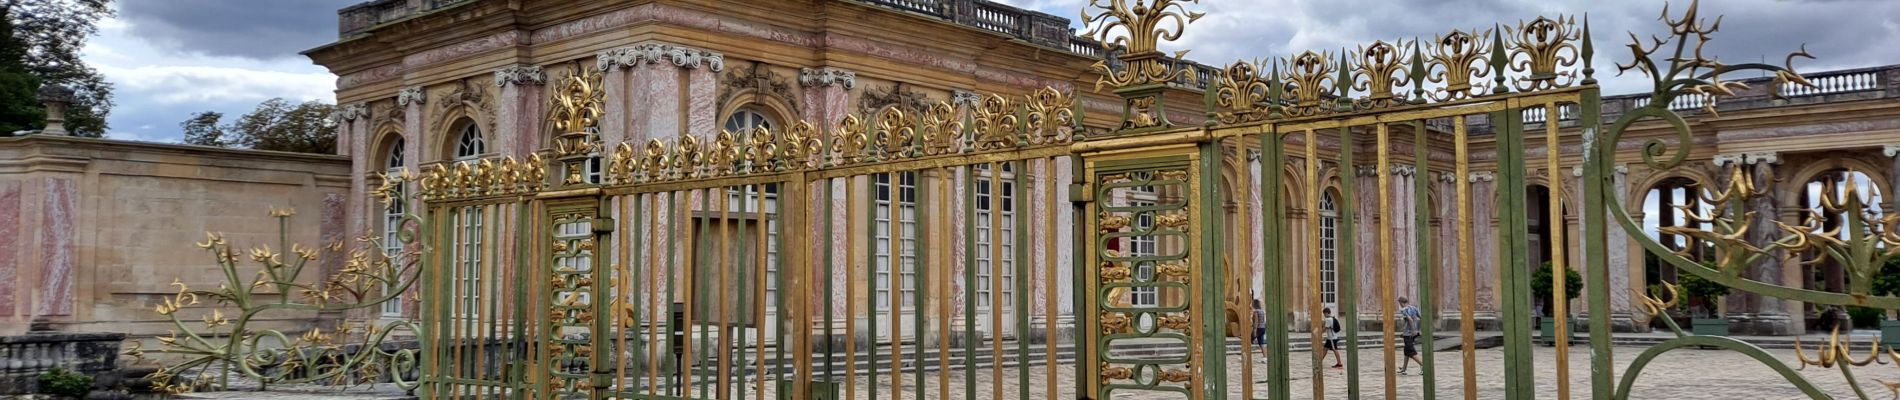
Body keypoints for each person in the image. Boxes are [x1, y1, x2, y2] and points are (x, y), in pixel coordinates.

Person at [1397, 296, 1424, 375]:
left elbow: (1410, 320)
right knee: (1406, 351)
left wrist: (1413, 330)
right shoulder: (1414, 308)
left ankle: (1424, 366)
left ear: (1401, 303)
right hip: (1413, 332)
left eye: (1399, 303)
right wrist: (1418, 329)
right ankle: (1404, 369)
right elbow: (1421, 317)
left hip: (1409, 334)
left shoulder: (1404, 310)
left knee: (1411, 352)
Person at [1252, 298, 1268, 362]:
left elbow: (1256, 321)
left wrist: (1255, 330)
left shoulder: (1256, 311)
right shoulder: (1262, 311)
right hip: (1263, 328)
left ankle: (1245, 355)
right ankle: (1265, 356)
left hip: (1258, 328)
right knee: (1261, 343)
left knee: (1248, 341)